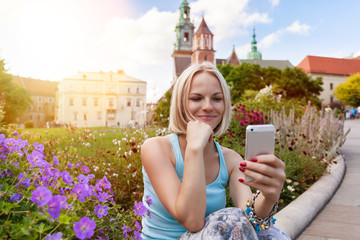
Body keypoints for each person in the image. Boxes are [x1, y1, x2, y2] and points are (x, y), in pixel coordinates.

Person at [141, 62, 289, 239]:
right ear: (180, 103)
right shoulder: (156, 148)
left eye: (217, 99)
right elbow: (192, 221)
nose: (208, 107)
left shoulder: (231, 159)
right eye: (196, 98)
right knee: (231, 219)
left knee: (269, 233)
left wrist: (269, 196)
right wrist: (195, 148)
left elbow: (249, 218)